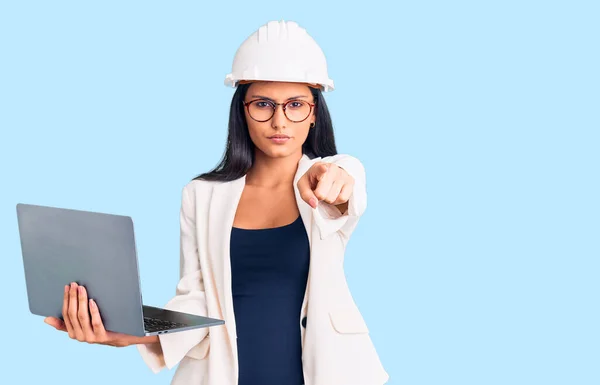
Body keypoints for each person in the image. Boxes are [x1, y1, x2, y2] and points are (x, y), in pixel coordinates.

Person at [43, 20, 389, 385]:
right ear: (242, 108)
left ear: (315, 111)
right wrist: (134, 332)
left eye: (296, 105)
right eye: (263, 104)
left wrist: (336, 179)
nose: (279, 120)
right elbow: (198, 299)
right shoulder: (202, 195)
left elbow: (347, 189)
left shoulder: (328, 180)